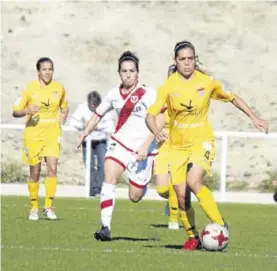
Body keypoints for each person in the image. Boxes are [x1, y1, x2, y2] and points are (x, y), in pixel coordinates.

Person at [146, 40, 269, 250]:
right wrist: (156, 131)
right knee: (182, 197)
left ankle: (221, 224)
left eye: (190, 58)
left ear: (195, 59)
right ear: (175, 61)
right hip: (177, 147)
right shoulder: (168, 87)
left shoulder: (207, 82)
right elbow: (150, 115)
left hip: (202, 141)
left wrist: (254, 117)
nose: (187, 63)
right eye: (182, 59)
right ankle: (193, 236)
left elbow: (232, 97)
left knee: (194, 181)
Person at [78, 51, 161, 241]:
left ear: (138, 73)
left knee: (135, 196)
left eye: (132, 71)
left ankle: (142, 183)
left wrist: (147, 144)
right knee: (109, 176)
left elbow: (161, 119)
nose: (128, 74)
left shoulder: (149, 93)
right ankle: (105, 227)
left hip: (142, 149)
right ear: (119, 73)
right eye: (124, 71)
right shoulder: (113, 94)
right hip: (120, 144)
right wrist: (85, 132)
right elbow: (98, 114)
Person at [12, 57, 69, 221]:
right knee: (35, 171)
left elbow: (65, 108)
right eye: (44, 69)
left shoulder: (59, 88)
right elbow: (15, 111)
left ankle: (49, 207)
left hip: (52, 132)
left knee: (52, 167)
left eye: (50, 69)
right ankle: (34, 207)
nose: (48, 72)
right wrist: (27, 110)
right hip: (33, 134)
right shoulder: (29, 89)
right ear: (38, 71)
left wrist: (64, 116)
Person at [155, 65, 196, 233]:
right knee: (161, 189)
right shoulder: (162, 97)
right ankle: (171, 201)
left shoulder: (189, 99)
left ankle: (173, 219)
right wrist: (158, 131)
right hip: (163, 147)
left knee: (175, 182)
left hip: (182, 146)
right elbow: (155, 118)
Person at [70, 91, 115, 197]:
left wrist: (97, 126)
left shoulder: (105, 107)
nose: (93, 107)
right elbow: (73, 123)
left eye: (95, 105)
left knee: (102, 165)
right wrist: (83, 125)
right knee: (89, 166)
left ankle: (99, 189)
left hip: (101, 141)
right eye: (91, 105)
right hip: (87, 141)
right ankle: (91, 190)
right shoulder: (82, 107)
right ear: (88, 102)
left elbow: (110, 125)